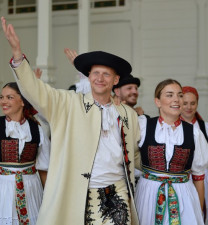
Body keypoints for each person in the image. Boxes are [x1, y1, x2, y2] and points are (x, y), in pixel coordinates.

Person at [1, 17, 141, 225]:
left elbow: (136, 154)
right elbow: (36, 91)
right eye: (95, 73)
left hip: (117, 192)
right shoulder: (67, 104)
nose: (100, 78)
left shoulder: (127, 114)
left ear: (116, 80)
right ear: (89, 77)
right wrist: (18, 56)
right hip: (78, 194)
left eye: (106, 74)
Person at [135, 79, 208, 225]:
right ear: (158, 102)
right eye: (169, 95)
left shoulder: (194, 132)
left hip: (183, 196)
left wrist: (198, 211)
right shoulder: (143, 126)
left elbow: (199, 177)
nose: (176, 99)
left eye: (180, 95)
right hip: (149, 194)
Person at [0, 82, 50, 225]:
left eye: (9, 97)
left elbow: (44, 168)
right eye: (2, 97)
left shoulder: (37, 129)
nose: (3, 101)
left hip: (31, 189)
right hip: (3, 188)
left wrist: (48, 199)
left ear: (22, 101)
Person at [181, 86, 208, 225]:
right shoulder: (172, 127)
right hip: (181, 179)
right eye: (185, 103)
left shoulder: (206, 128)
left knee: (203, 213)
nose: (189, 107)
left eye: (193, 103)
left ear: (197, 103)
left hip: (202, 179)